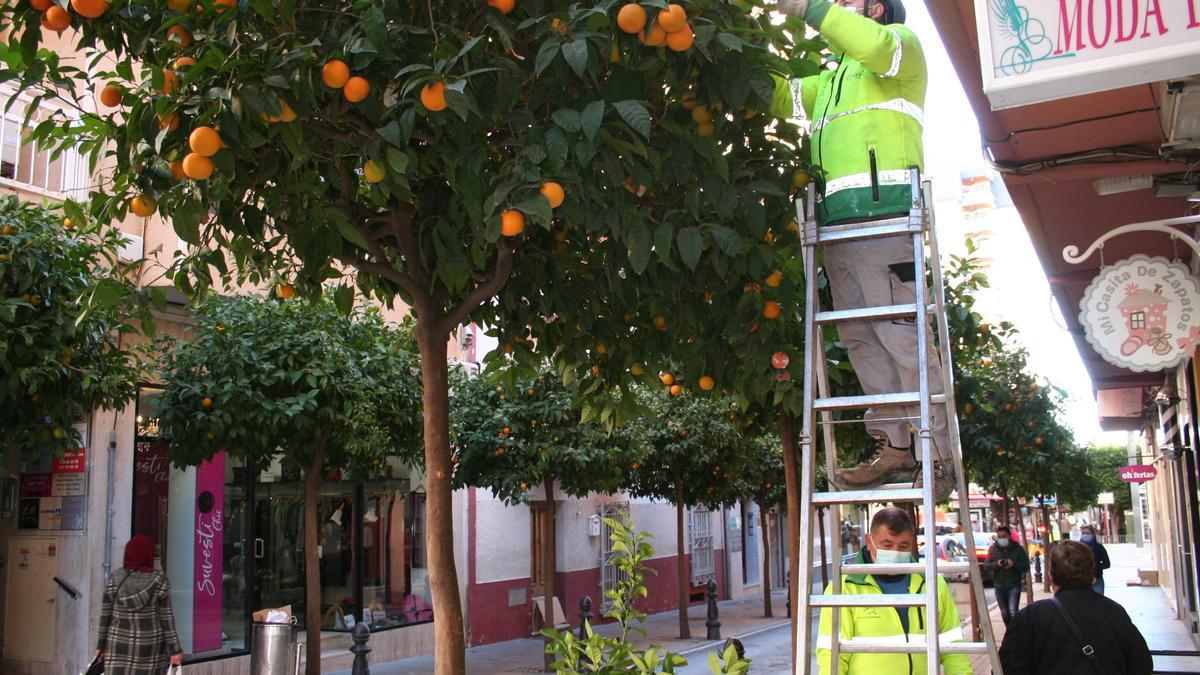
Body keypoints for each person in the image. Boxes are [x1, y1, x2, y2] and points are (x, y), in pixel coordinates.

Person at [767, 0, 955, 500]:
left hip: (889, 216)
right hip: (837, 228)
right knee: (860, 339)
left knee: (901, 336)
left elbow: (871, 44)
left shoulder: (899, 49)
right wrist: (721, 55)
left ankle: (935, 453)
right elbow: (776, 97)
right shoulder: (828, 82)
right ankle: (892, 444)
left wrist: (808, 7)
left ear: (875, 7)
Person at [817, 507, 970, 674]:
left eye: (903, 546)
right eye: (887, 545)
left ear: (912, 543)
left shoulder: (933, 584)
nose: (895, 552)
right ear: (869, 541)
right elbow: (831, 657)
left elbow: (953, 647)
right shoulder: (843, 588)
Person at [999, 540, 1151, 674]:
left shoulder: (1030, 617)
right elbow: (1141, 663)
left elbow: (1008, 666)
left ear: (1051, 575)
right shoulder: (1114, 612)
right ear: (1092, 576)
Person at [95, 536, 183, 675]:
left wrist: (100, 645)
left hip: (118, 645)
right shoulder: (159, 580)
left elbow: (105, 615)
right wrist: (175, 650)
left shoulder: (116, 578)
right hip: (149, 647)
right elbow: (167, 619)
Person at [983, 525, 1029, 625]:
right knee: (1004, 613)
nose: (1002, 539)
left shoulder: (1018, 549)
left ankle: (1014, 633)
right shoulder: (993, 549)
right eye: (999, 536)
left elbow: (1025, 566)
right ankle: (1010, 631)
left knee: (1013, 611)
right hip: (999, 585)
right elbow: (986, 566)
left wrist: (1014, 564)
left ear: (1009, 536)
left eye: (1004, 536)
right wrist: (997, 564)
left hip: (1013, 585)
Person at [1079, 524, 1112, 594]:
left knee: (1098, 602)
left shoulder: (1099, 547)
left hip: (1097, 580)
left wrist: (1094, 567)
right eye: (1083, 533)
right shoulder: (1076, 548)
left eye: (1087, 533)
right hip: (1081, 581)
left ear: (1093, 534)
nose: (1085, 535)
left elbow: (1107, 564)